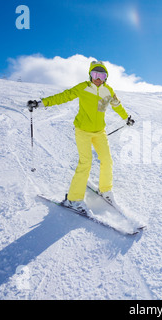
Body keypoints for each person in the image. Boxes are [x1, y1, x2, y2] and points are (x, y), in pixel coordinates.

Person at [27, 61, 134, 213]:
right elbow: (64, 96)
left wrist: (126, 118)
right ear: (90, 75)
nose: (98, 78)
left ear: (106, 77)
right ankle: (73, 200)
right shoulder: (83, 87)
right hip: (82, 131)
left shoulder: (108, 91)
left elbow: (117, 105)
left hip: (100, 132)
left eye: (101, 75)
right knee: (86, 163)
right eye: (95, 74)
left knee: (107, 160)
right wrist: (41, 103)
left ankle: (105, 190)